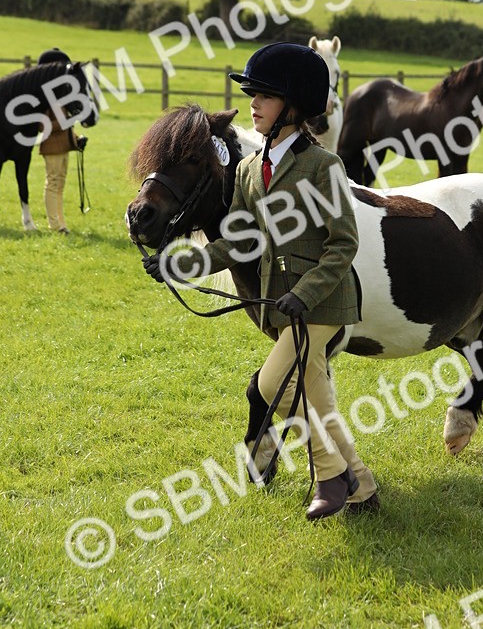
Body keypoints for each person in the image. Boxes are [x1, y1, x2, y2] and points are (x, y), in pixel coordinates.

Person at [144, 42, 378, 522]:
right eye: (252, 95)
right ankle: (359, 487)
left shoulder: (322, 167)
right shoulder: (250, 169)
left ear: (292, 107)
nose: (252, 104)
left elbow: (343, 245)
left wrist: (304, 293)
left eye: (264, 96)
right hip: (285, 308)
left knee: (273, 383)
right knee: (315, 395)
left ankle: (333, 479)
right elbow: (235, 244)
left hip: (324, 305)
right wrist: (178, 266)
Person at [36, 48, 87, 235]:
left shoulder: (58, 94)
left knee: (60, 185)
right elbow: (43, 126)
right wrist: (68, 121)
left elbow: (66, 124)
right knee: (53, 183)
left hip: (64, 145)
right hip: (51, 146)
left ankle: (60, 223)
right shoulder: (43, 97)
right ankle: (55, 225)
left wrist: (76, 138)